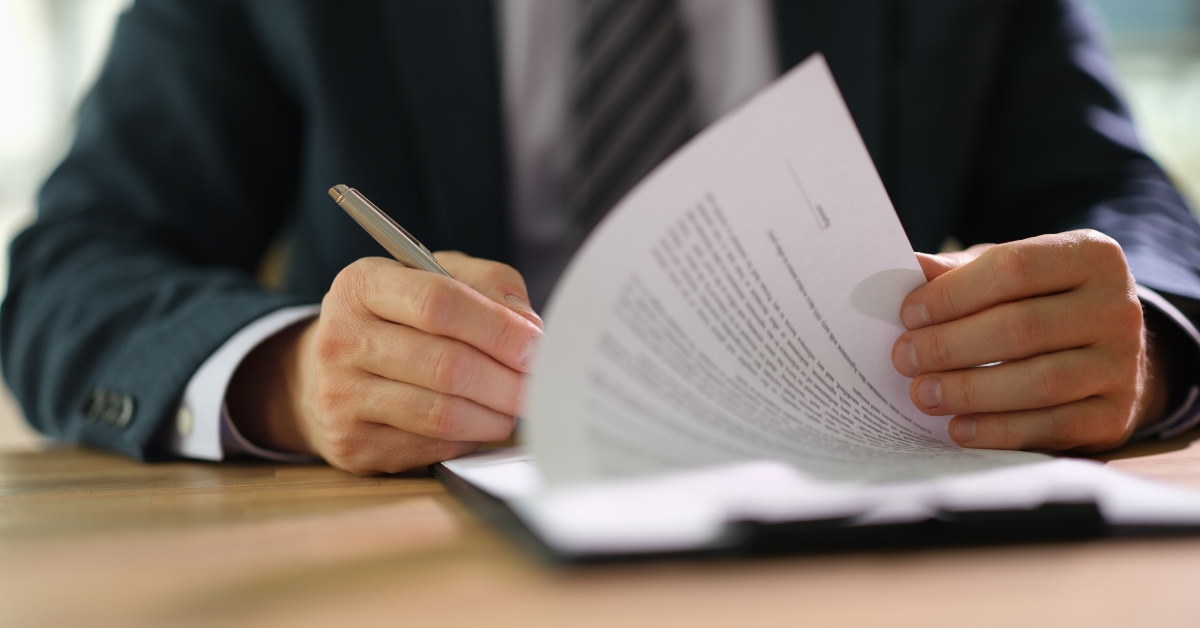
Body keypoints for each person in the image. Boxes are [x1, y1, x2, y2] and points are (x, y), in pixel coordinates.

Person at [4, 0, 1200, 476]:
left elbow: (1122, 201)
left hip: (858, 541)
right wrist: (286, 376)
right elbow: (77, 263)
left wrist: (1141, 338)